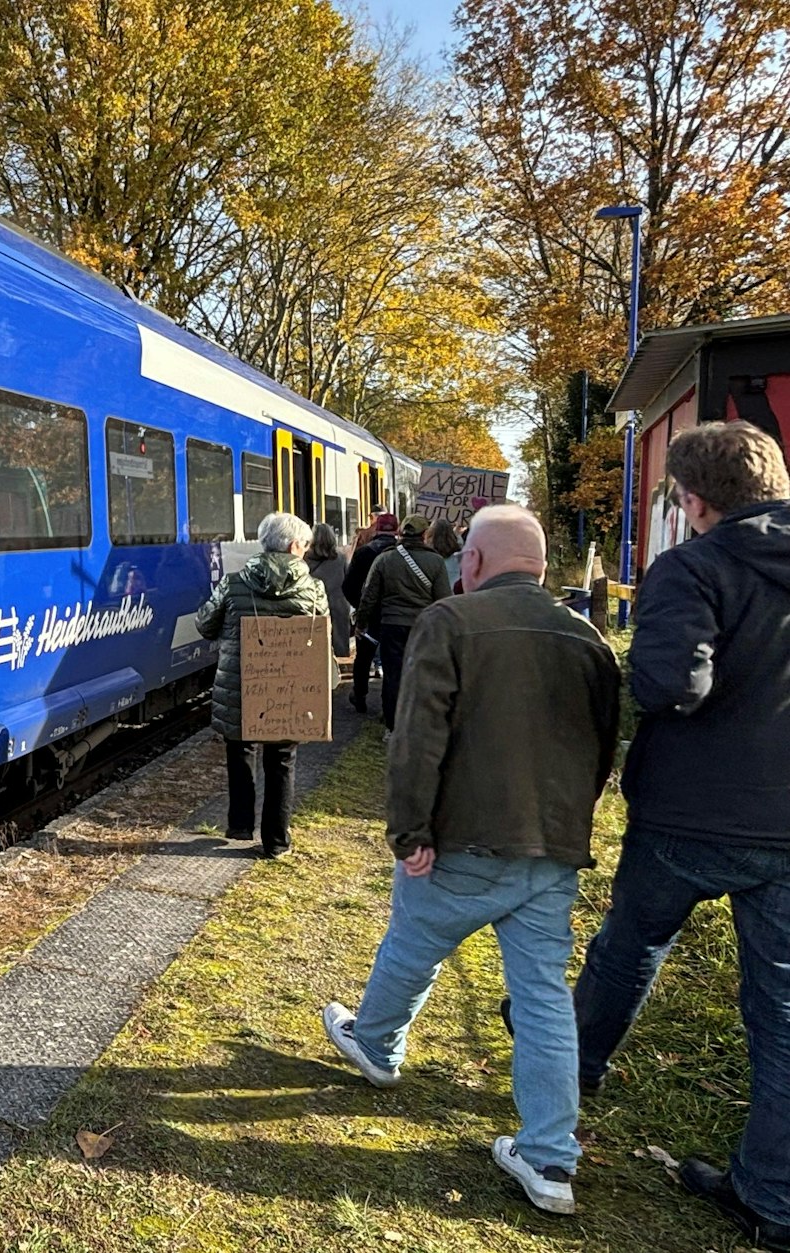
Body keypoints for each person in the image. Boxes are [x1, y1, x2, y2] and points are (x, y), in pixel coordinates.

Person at [322, 505, 621, 1216]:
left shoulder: (449, 623)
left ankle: (378, 1044)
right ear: (543, 567)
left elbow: (417, 734)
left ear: (474, 563)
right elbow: (602, 745)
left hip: (463, 836)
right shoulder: (588, 637)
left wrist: (410, 828)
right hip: (550, 846)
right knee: (545, 997)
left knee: (415, 939)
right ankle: (551, 1157)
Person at [567, 421, 790, 1250]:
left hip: (689, 813)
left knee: (630, 949)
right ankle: (772, 1196)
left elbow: (670, 684)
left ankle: (571, 1071)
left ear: (694, 501)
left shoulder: (692, 567)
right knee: (783, 1009)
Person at [196, 511, 330, 858]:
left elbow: (205, 626)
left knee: (240, 749)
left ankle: (240, 825)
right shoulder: (314, 589)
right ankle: (275, 842)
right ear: (292, 545)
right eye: (305, 544)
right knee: (282, 759)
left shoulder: (233, 582)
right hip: (289, 690)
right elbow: (321, 637)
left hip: (240, 686)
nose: (306, 550)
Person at [355, 515, 452, 731]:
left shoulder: (385, 559)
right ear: (425, 534)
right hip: (423, 627)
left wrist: (361, 624)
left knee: (393, 676)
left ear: (402, 533)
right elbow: (444, 599)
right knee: (421, 674)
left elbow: (368, 596)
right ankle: (419, 724)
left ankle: (392, 727)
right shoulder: (436, 562)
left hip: (391, 625)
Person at [342, 512, 399, 715]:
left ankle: (360, 695)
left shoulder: (364, 553)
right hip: (393, 615)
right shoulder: (401, 554)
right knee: (392, 660)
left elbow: (348, 586)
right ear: (397, 530)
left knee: (363, 658)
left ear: (377, 529)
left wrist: (360, 607)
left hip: (368, 615)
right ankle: (388, 706)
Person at [305, 523, 353, 660]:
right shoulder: (341, 558)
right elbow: (348, 582)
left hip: (314, 606)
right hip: (338, 605)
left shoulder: (304, 559)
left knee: (316, 644)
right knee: (339, 645)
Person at [427, 519, 464, 592]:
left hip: (436, 594)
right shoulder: (458, 551)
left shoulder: (428, 552)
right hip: (453, 592)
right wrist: (457, 535)